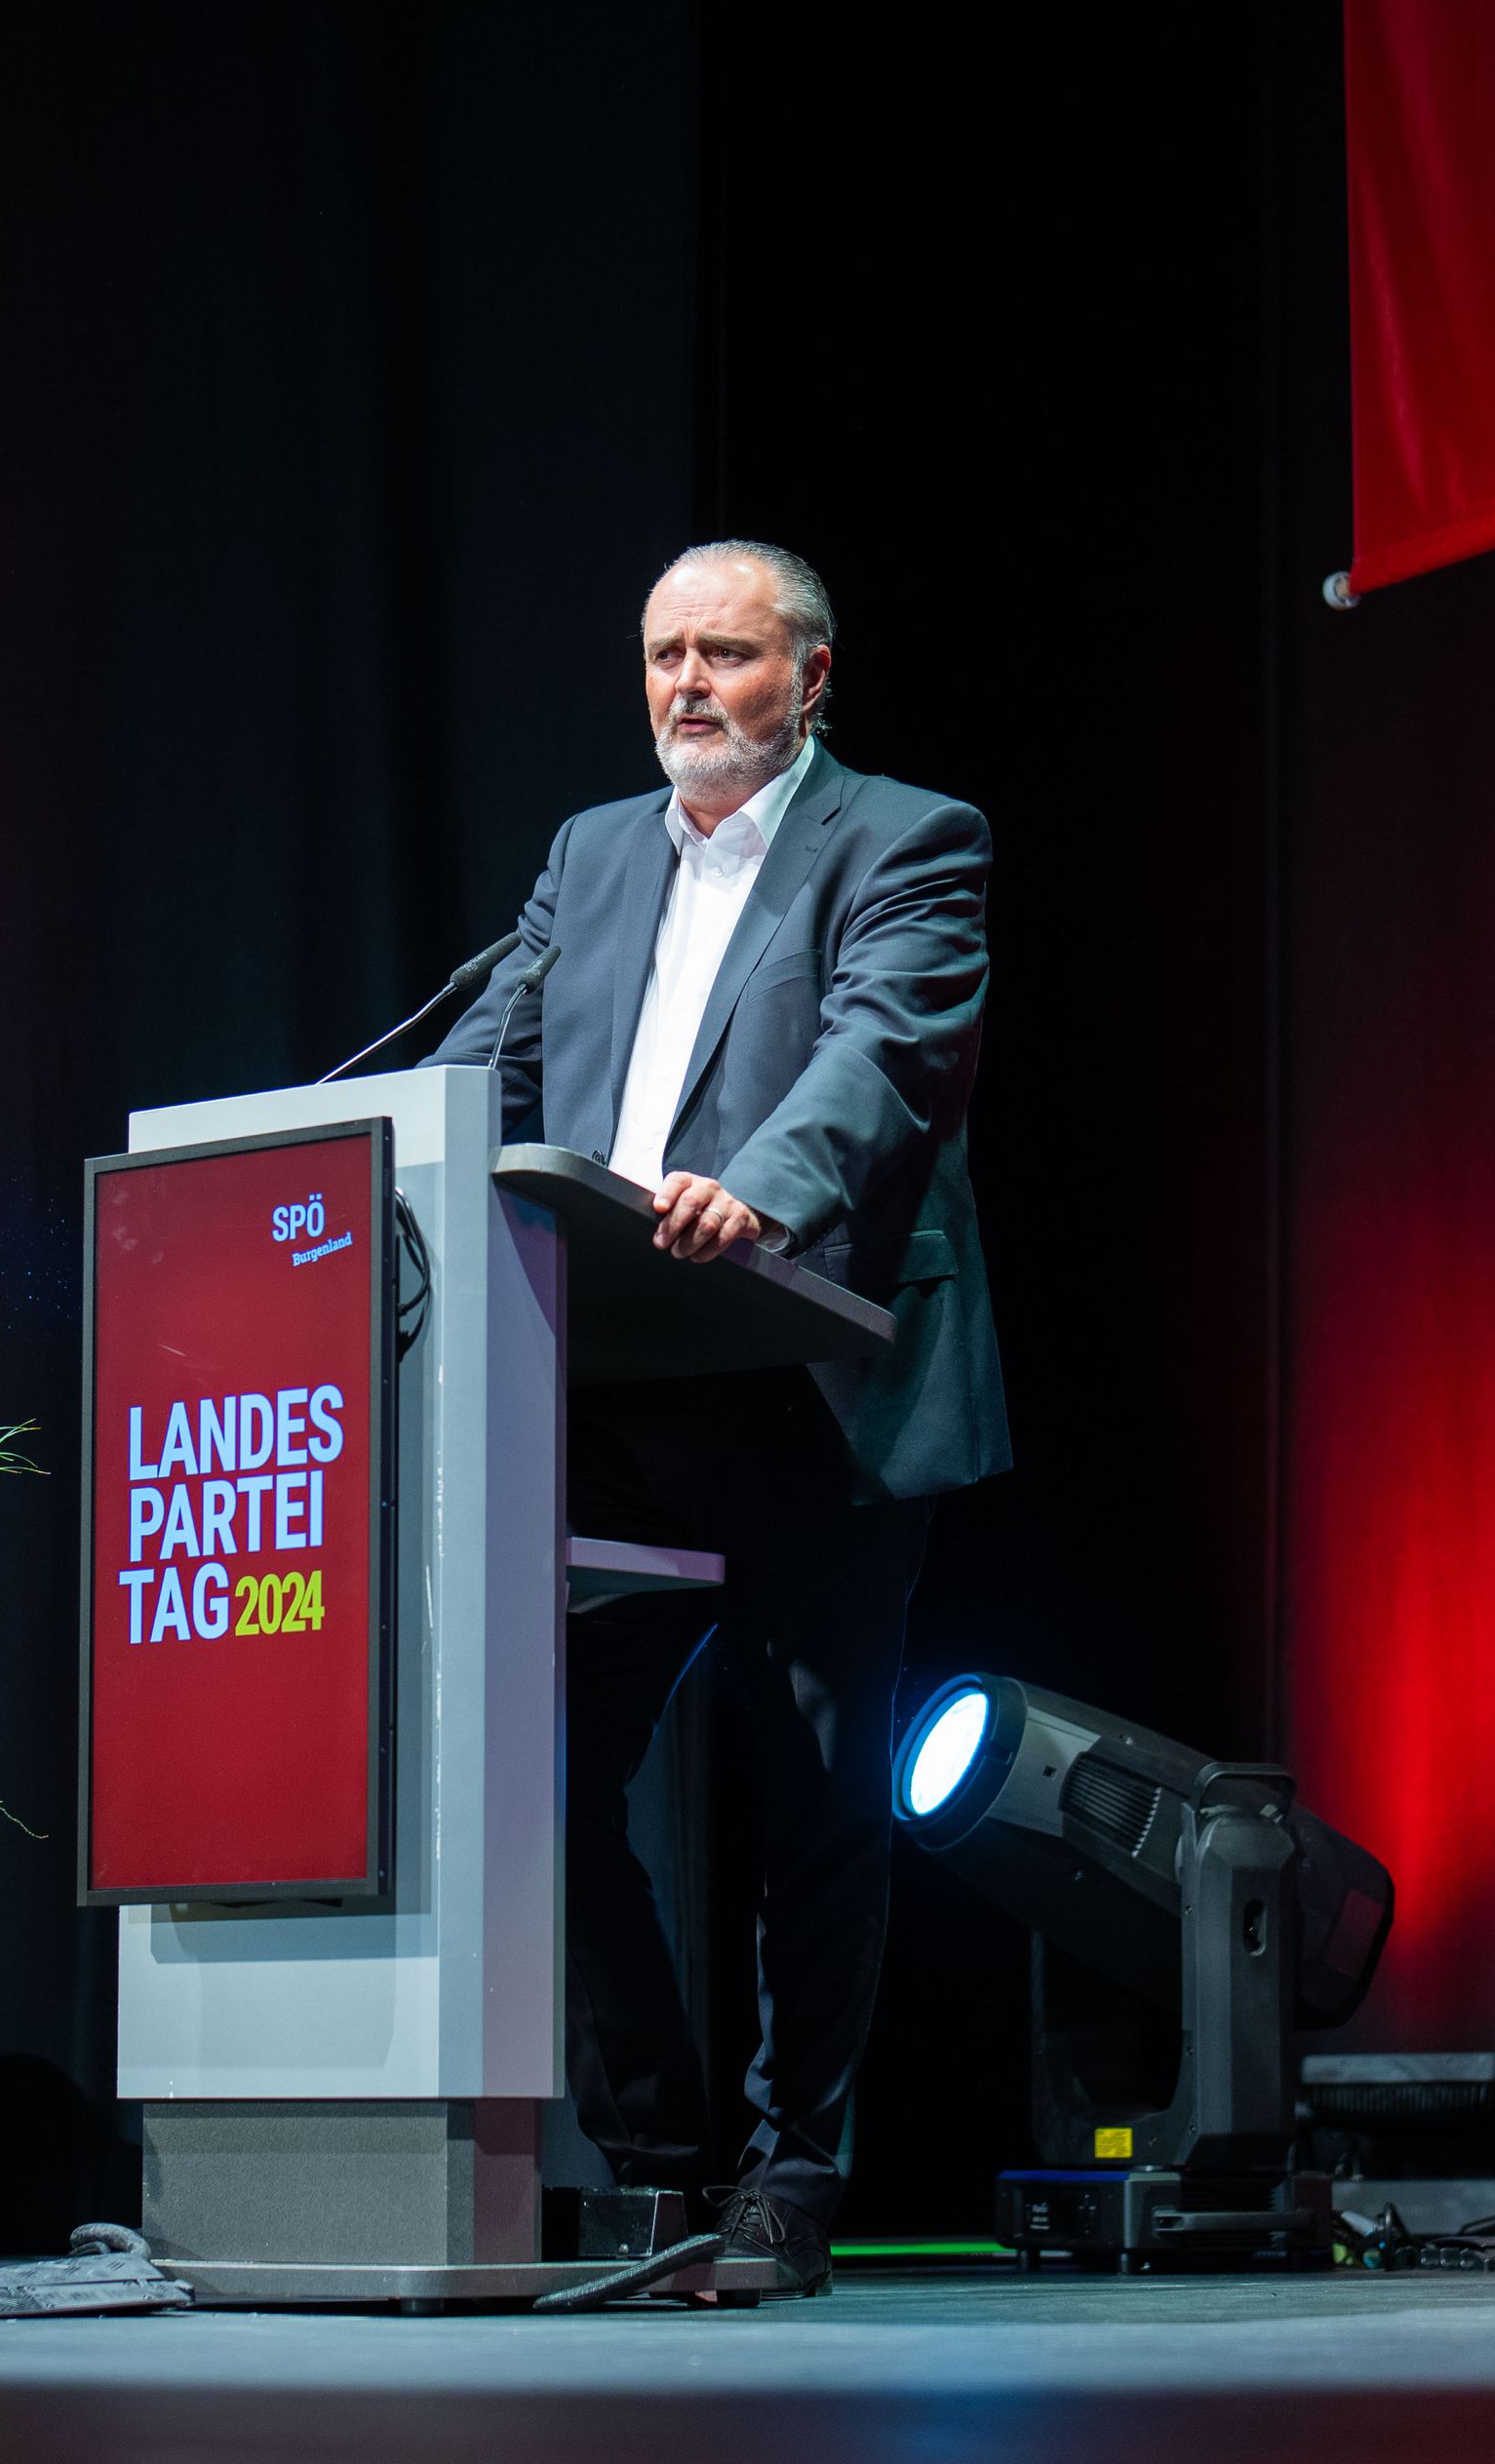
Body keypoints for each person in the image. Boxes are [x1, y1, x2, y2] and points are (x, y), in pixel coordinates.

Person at [430, 539, 1005, 2292]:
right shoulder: (593, 854)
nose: (689, 684)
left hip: (817, 1374)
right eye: (666, 654)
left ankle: (794, 2173)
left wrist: (754, 1190)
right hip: (622, 1381)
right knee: (532, 1764)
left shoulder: (909, 839)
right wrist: (368, 1140)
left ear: (809, 677)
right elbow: (500, 1055)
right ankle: (666, 2154)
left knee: (816, 1792)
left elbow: (883, 1055)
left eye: (728, 655)